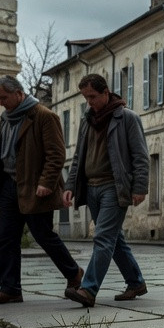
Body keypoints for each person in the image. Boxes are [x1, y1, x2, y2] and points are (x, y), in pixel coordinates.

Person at [0, 76, 83, 305]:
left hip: (35, 186)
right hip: (9, 184)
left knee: (43, 235)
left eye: (3, 97)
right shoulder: (6, 118)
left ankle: (74, 274)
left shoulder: (44, 116)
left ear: (18, 92)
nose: (0, 103)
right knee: (6, 238)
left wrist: (46, 182)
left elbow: (57, 154)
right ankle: (10, 289)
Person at [62, 74, 149, 306]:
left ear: (105, 92)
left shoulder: (127, 118)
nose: (89, 102)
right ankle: (135, 282)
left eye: (92, 96)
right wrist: (70, 185)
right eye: (85, 97)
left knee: (102, 237)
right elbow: (79, 156)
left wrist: (139, 187)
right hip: (91, 188)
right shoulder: (87, 120)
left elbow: (141, 156)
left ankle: (88, 290)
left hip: (114, 187)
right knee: (113, 238)